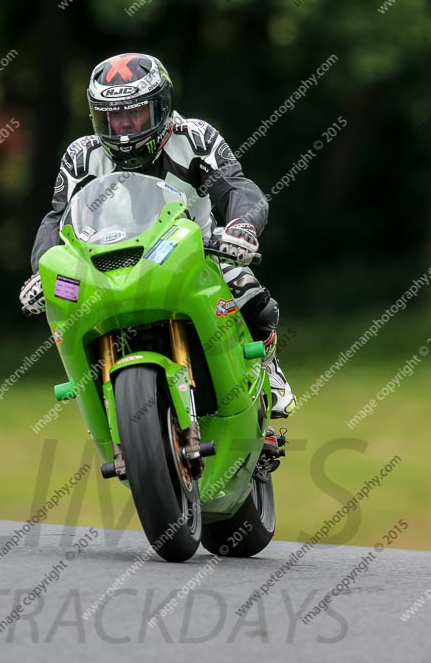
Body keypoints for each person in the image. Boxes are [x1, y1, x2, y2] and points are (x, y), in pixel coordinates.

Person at [20, 53, 295, 418]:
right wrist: (42, 270)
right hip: (107, 267)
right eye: (113, 117)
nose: (124, 127)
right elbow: (57, 218)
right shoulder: (81, 156)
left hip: (197, 256)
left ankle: (268, 368)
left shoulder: (194, 138)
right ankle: (103, 406)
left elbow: (235, 187)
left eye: (135, 113)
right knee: (66, 308)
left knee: (252, 298)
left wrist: (241, 227)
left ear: (161, 106)